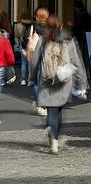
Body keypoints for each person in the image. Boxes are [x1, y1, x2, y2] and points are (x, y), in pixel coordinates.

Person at [29, 15, 88, 154]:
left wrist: (31, 77)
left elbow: (35, 60)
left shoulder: (43, 40)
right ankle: (54, 138)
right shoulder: (68, 40)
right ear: (60, 26)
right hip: (64, 80)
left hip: (47, 80)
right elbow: (77, 62)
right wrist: (81, 82)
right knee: (58, 110)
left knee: (51, 110)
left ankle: (51, 132)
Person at [14, 9, 33, 86]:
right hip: (30, 46)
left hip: (22, 45)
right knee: (29, 64)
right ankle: (30, 79)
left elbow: (15, 37)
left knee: (23, 63)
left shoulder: (18, 25)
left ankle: (23, 79)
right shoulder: (32, 25)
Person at [0, 10, 17, 85]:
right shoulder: (9, 27)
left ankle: (0, 79)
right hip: (7, 48)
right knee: (7, 63)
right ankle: (7, 77)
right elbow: (12, 39)